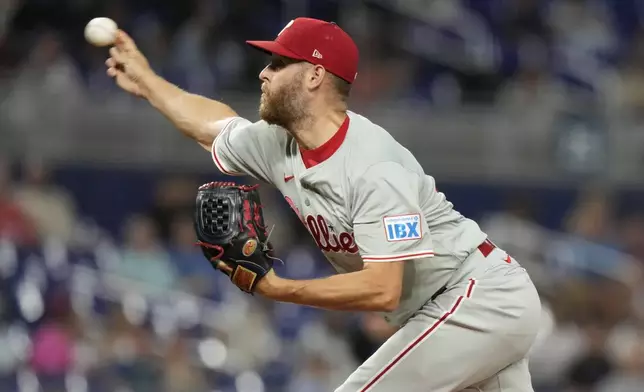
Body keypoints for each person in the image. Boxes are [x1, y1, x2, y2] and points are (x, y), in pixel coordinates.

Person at [105, 17, 541, 392]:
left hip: (477, 297)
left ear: (314, 75)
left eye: (278, 63)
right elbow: (213, 127)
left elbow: (382, 286)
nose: (263, 73)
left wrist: (279, 288)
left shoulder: (373, 166)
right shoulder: (282, 144)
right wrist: (146, 81)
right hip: (453, 308)